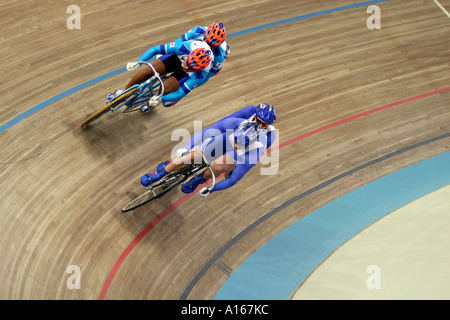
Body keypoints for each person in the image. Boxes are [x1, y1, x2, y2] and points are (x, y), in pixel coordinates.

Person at [140, 103, 277, 197]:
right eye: (236, 141)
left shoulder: (256, 150)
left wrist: (211, 188)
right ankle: (159, 174)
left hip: (239, 155)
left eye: (263, 124)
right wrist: (186, 148)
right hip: (224, 138)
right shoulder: (237, 123)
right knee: (190, 156)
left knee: (220, 166)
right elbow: (208, 131)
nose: (258, 124)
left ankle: (199, 179)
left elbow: (234, 179)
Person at [108, 22, 228, 112]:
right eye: (208, 41)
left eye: (213, 45)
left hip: (195, 71)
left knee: (165, 89)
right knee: (148, 71)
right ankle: (123, 92)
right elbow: (161, 47)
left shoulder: (210, 65)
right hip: (179, 56)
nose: (186, 68)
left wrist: (161, 99)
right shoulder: (188, 44)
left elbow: (181, 92)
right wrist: (138, 62)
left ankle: (152, 104)